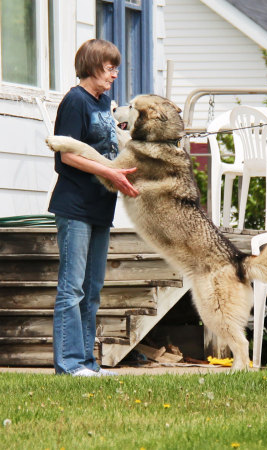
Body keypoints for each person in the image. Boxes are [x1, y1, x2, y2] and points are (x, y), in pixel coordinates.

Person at [48, 39, 138, 377]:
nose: (115, 73)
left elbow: (110, 149)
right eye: (109, 66)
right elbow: (67, 154)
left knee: (93, 289)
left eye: (116, 66)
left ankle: (87, 362)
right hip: (75, 206)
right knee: (72, 288)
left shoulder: (103, 104)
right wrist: (111, 173)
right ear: (91, 64)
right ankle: (69, 365)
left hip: (101, 207)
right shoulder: (76, 101)